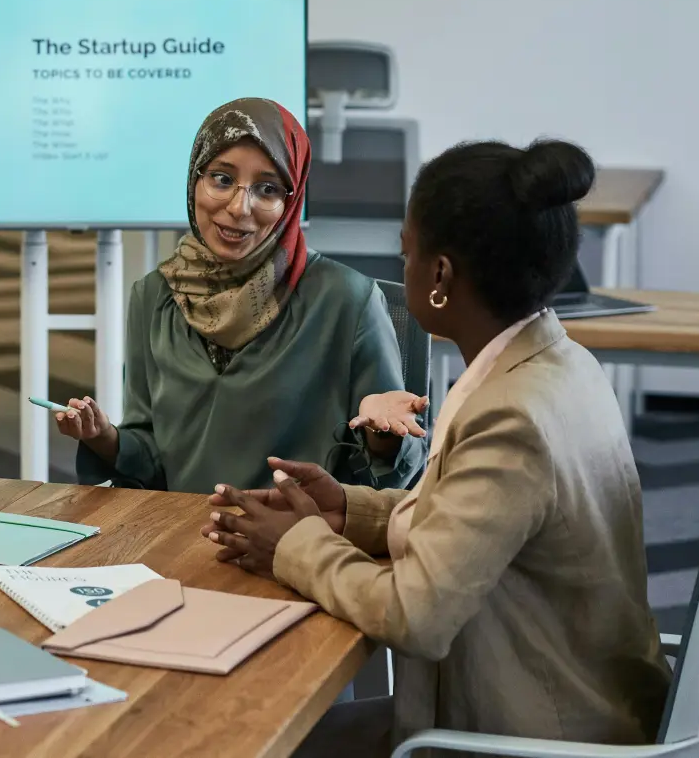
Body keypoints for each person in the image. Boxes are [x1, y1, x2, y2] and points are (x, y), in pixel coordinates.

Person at [206, 138, 670, 752]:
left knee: (253, 742)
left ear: (441, 275)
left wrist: (297, 544)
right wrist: (345, 511)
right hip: (580, 693)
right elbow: (477, 524)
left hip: (532, 732)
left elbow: (415, 615)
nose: (404, 269)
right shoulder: (557, 362)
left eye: (407, 254)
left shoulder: (513, 417)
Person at [56, 98, 426, 493]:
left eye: (267, 188)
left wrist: (383, 437)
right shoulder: (154, 297)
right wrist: (103, 437)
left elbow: (391, 476)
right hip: (182, 535)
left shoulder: (348, 301)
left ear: (291, 198)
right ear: (194, 179)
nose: (238, 206)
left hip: (296, 539)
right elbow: (151, 458)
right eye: (222, 179)